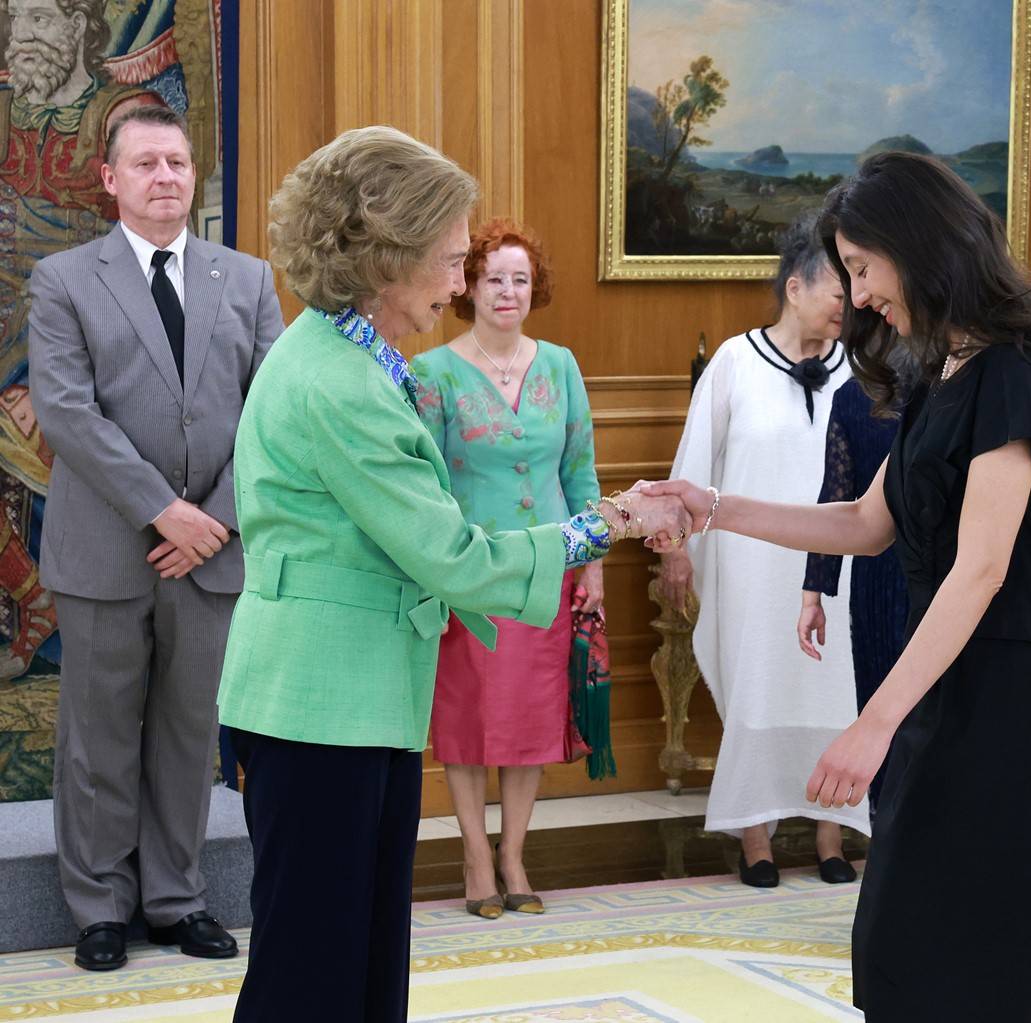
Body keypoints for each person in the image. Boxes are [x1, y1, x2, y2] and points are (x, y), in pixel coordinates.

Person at [216, 126, 687, 1023]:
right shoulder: (340, 384)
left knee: (354, 967)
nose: (460, 281)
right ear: (383, 259)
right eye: (447, 258)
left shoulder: (349, 355)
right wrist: (613, 522)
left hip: (351, 701)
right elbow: (452, 554)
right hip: (321, 707)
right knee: (311, 978)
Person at [642, 151, 1031, 1022]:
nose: (855, 292)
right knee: (893, 954)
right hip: (937, 691)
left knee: (975, 968)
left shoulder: (1014, 372)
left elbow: (983, 567)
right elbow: (859, 521)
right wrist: (711, 507)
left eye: (861, 266)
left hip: (1007, 703)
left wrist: (871, 725)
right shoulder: (936, 374)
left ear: (917, 246)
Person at [27, 104, 283, 971]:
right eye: (146, 163)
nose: (165, 176)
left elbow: (274, 415)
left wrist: (213, 518)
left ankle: (175, 900)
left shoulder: (246, 280)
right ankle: (98, 906)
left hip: (215, 548)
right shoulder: (63, 280)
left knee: (188, 731)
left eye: (177, 161)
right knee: (98, 736)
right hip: (106, 551)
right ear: (111, 179)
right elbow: (64, 410)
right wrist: (161, 510)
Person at [659, 212, 866, 887]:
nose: (850, 303)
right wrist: (677, 550)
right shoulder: (732, 361)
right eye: (839, 290)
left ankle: (831, 831)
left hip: (838, 561)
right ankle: (756, 834)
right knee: (756, 683)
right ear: (796, 287)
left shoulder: (859, 365)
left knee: (837, 684)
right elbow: (696, 462)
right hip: (747, 563)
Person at [413, 218, 600, 918]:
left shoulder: (560, 365)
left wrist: (592, 567)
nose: (508, 291)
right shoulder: (431, 372)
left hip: (547, 569)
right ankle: (472, 856)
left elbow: (581, 472)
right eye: (494, 277)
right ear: (467, 284)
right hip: (469, 575)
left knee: (527, 720)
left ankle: (514, 854)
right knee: (467, 720)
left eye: (520, 279)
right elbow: (425, 483)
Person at [0, 0, 163, 680]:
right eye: (14, 24)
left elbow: (146, 254)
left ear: (78, 28)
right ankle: (35, 605)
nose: (21, 38)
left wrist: (47, 377)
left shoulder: (123, 117)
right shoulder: (8, 109)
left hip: (84, 335)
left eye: (39, 21)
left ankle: (46, 611)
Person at [799, 367, 911, 813]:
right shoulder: (952, 385)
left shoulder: (852, 392)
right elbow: (839, 496)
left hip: (881, 576)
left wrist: (814, 592)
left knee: (881, 708)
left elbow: (837, 496)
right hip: (922, 572)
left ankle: (889, 830)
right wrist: (814, 590)